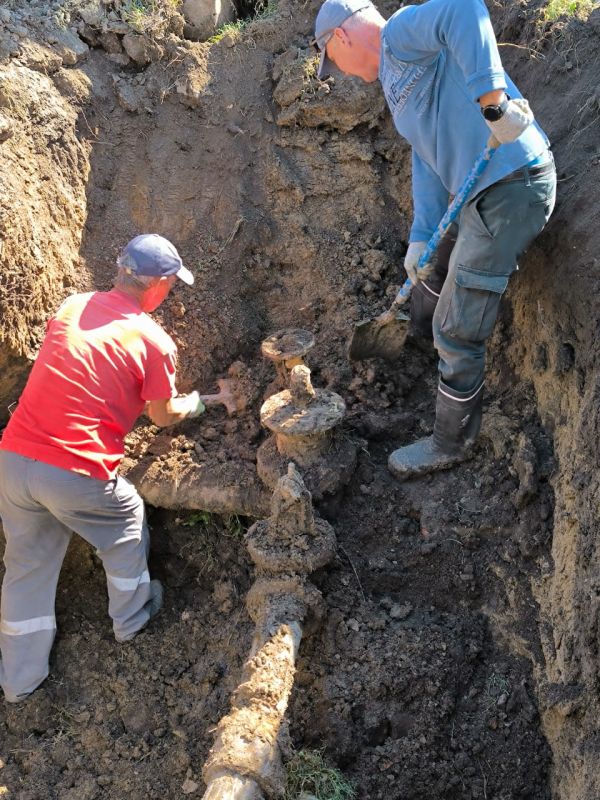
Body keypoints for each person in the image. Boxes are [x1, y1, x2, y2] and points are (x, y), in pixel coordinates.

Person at [313, 0, 557, 479]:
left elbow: (464, 10)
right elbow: (425, 158)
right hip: (481, 195)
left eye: (332, 62)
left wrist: (493, 103)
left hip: (511, 186)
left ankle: (451, 441)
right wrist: (421, 237)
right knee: (434, 265)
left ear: (340, 38)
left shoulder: (401, 34)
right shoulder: (393, 83)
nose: (340, 73)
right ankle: (423, 347)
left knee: (458, 327)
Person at [0, 234, 231, 703]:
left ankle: (19, 681)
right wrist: (203, 404)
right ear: (160, 286)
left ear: (120, 269)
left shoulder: (72, 307)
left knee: (27, 563)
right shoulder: (153, 341)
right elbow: (162, 416)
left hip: (14, 457)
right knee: (125, 520)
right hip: (72, 469)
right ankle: (133, 618)